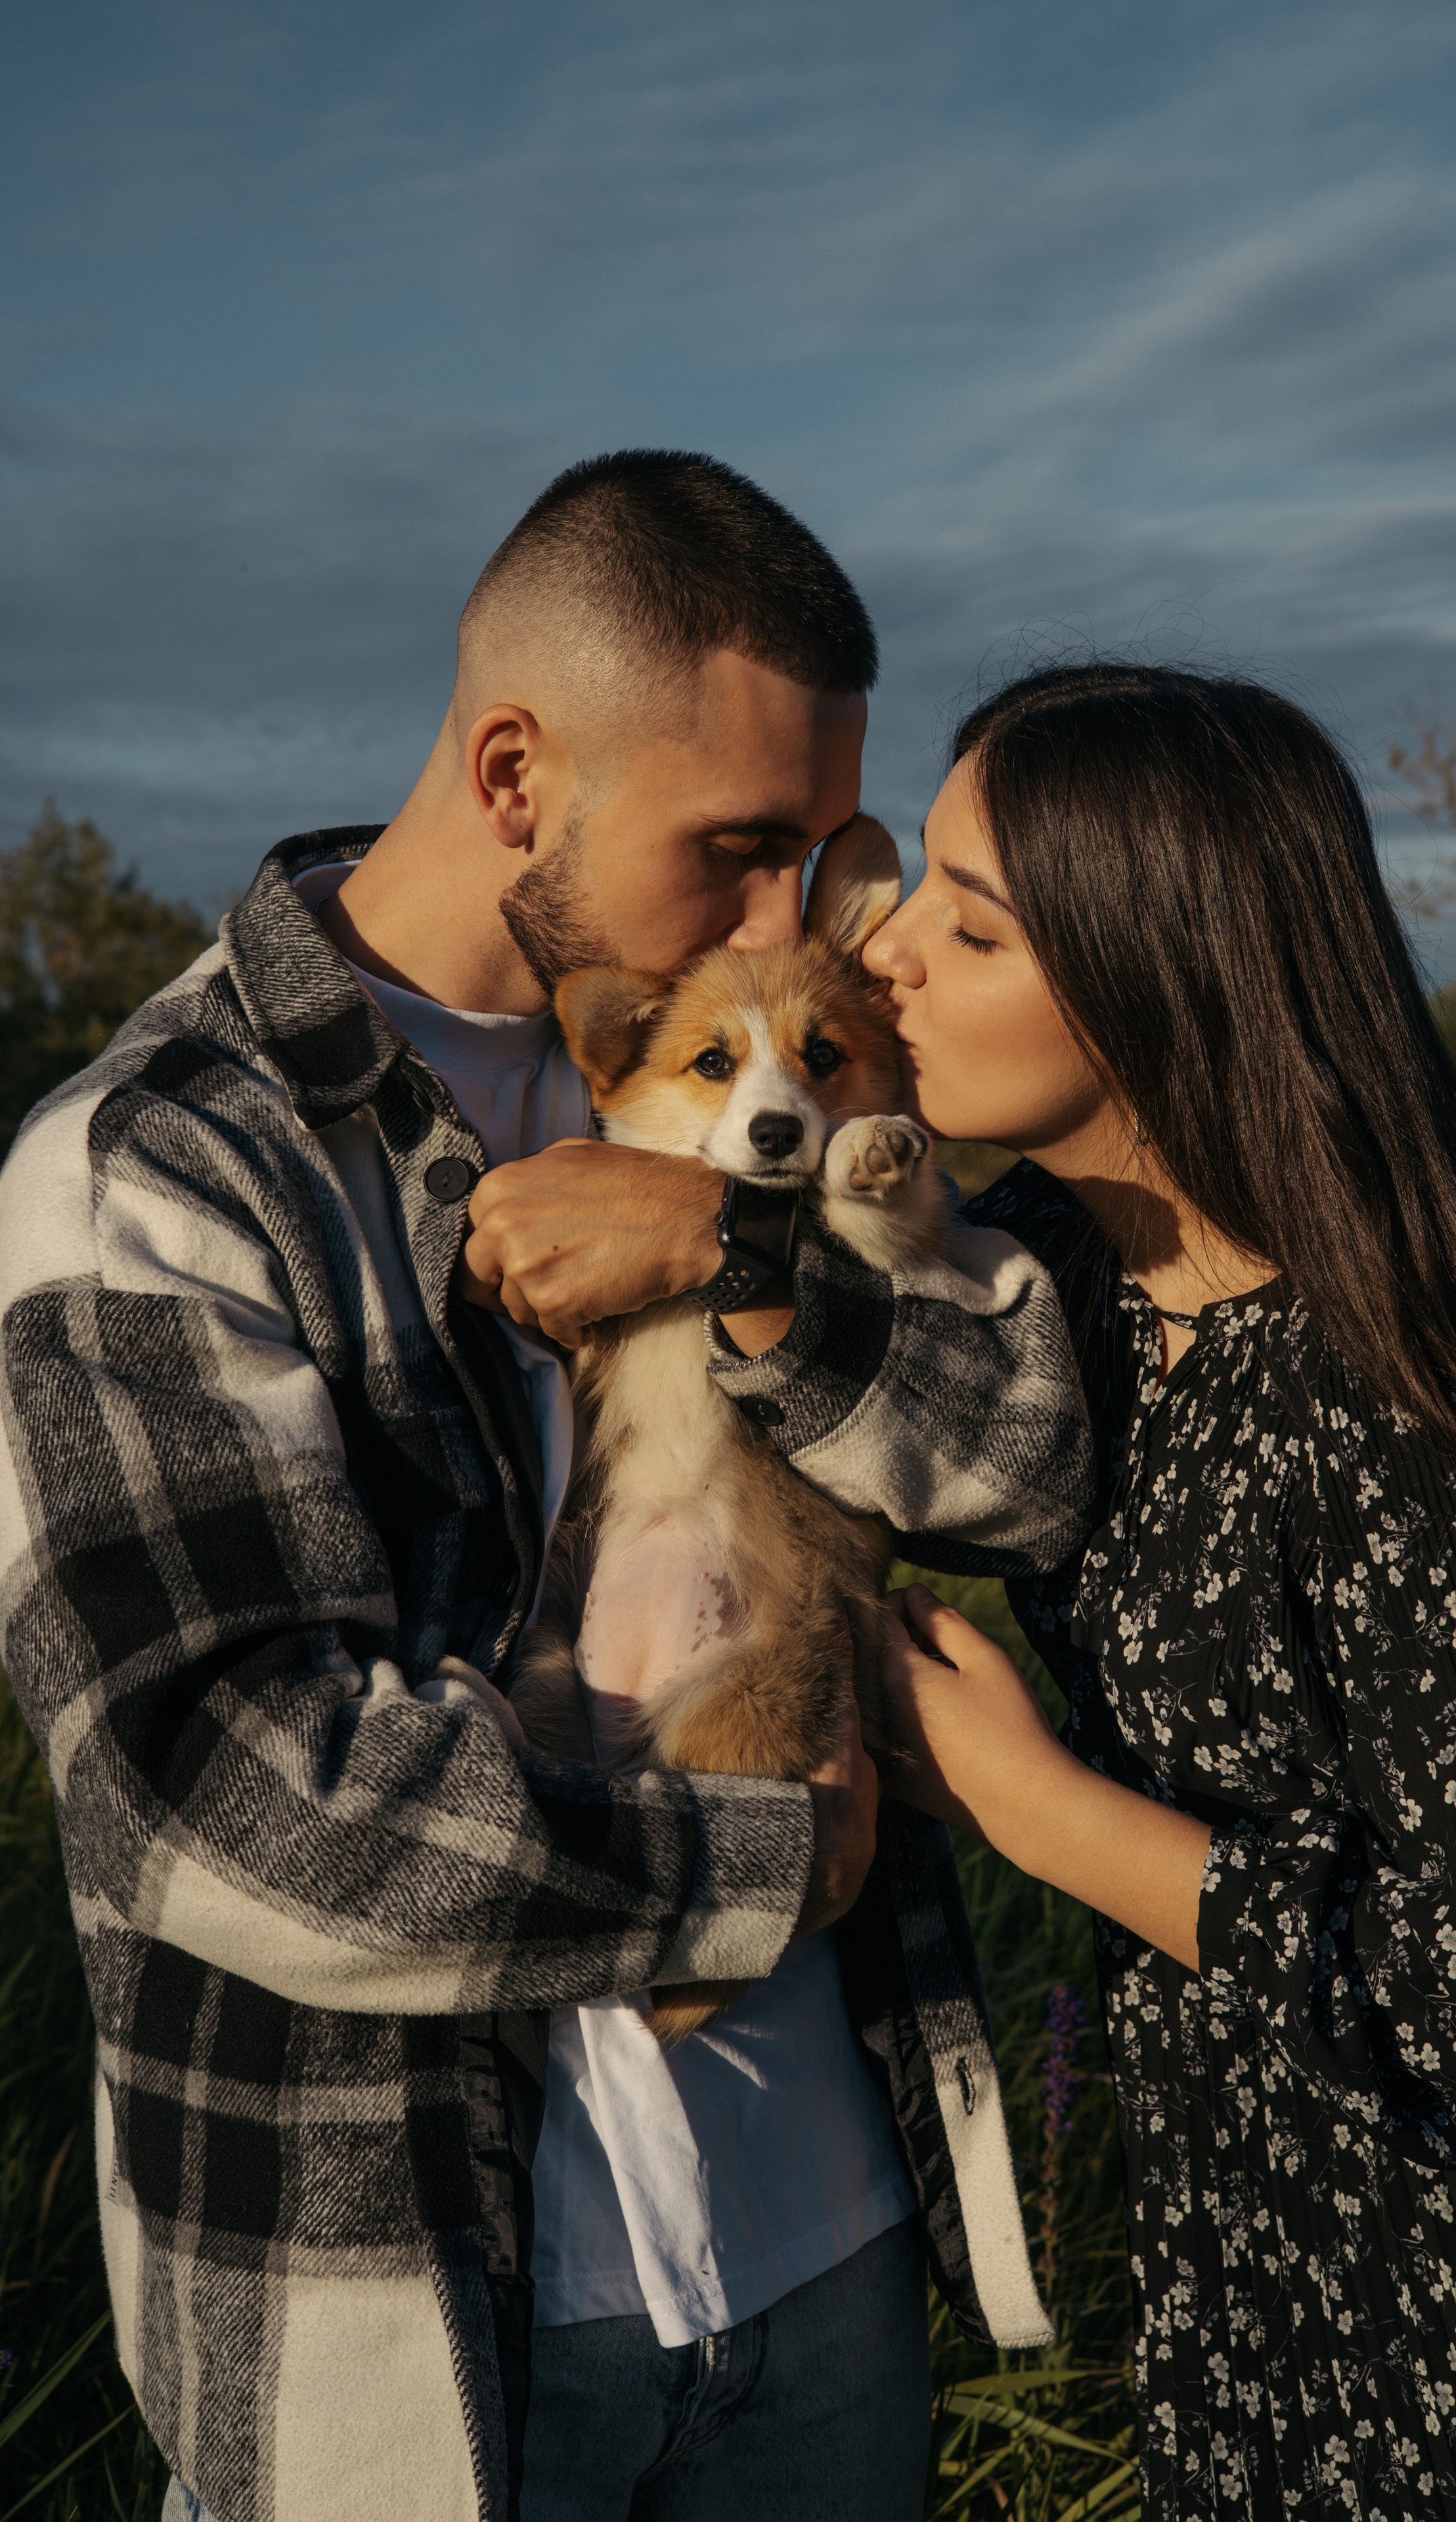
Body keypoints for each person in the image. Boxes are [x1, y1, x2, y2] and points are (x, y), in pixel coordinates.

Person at [0, 454, 1093, 2522]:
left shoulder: (782, 1084)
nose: (804, 924)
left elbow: (1036, 1469)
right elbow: (222, 1801)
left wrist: (732, 1256)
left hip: (827, 2259)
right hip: (422, 2346)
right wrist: (775, 1853)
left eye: (822, 850)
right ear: (517, 770)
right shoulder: (155, 1174)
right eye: (745, 846)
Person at [722, 659, 1456, 2519]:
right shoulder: (1075, 1275)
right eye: (916, 882)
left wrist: (1039, 1811)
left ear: (1160, 974)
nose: (894, 955)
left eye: (971, 925)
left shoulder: (1409, 1393)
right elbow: (868, 1388)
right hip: (1246, 2265)